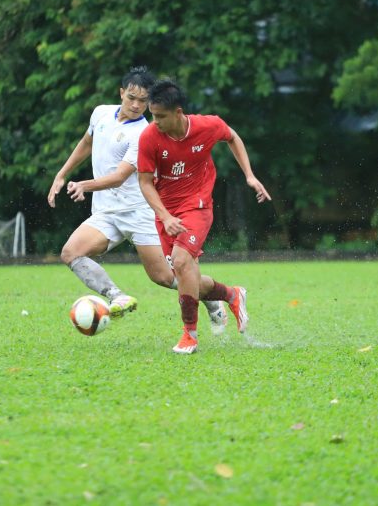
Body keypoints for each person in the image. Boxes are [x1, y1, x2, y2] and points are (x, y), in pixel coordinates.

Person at [48, 67, 227, 330]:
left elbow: (120, 177)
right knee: (71, 252)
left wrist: (84, 185)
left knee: (167, 277)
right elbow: (87, 142)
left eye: (143, 101)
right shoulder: (100, 113)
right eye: (131, 97)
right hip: (107, 212)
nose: (136, 105)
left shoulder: (144, 133)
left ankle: (213, 299)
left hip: (141, 213)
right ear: (121, 93)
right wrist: (62, 174)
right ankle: (115, 296)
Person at [137, 79, 271, 354]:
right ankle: (232, 295)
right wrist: (165, 216)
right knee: (190, 280)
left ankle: (190, 335)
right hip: (167, 213)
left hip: (197, 206)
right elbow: (145, 182)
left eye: (160, 116)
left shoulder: (206, 126)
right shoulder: (149, 137)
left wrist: (250, 175)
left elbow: (232, 136)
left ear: (178, 112)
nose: (155, 122)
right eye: (152, 115)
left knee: (182, 261)